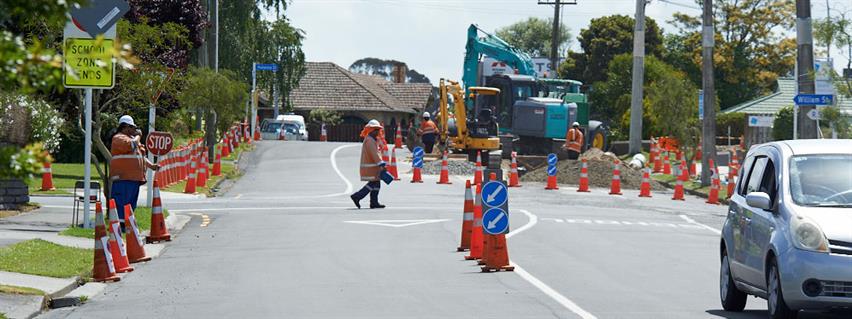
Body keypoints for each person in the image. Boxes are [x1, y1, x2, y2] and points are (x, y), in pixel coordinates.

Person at [109, 115, 158, 228]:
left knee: (130, 205)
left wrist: (152, 166)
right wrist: (138, 136)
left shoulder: (133, 140)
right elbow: (131, 145)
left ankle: (128, 226)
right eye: (132, 127)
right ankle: (120, 228)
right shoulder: (119, 138)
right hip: (123, 178)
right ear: (125, 127)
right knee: (122, 203)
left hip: (134, 179)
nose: (134, 130)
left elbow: (141, 156)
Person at [350, 120, 386, 209]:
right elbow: (374, 154)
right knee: (373, 183)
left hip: (373, 167)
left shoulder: (372, 139)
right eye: (375, 129)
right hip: (371, 167)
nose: (377, 131)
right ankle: (357, 196)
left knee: (376, 184)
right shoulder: (370, 140)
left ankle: (374, 202)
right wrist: (381, 163)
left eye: (378, 129)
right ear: (371, 130)